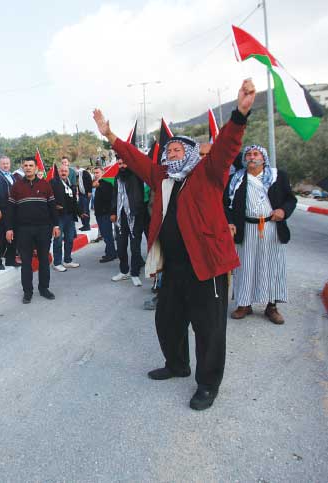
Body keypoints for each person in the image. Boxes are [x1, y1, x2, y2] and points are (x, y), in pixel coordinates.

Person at [92, 78, 256, 411]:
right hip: (175, 265)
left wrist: (239, 114)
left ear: (193, 153)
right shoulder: (162, 176)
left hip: (206, 264)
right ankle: (177, 364)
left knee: (208, 328)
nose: (172, 153)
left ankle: (208, 384)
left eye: (178, 149)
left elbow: (226, 147)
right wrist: (109, 135)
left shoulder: (208, 172)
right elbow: (136, 160)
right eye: (169, 150)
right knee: (167, 319)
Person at [225, 144, 296, 324]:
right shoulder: (235, 179)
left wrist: (283, 211)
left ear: (263, 158)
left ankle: (271, 307)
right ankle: (244, 304)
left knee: (272, 266)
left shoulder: (277, 176)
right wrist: (230, 222)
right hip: (246, 228)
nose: (251, 157)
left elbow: (290, 199)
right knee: (245, 267)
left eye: (256, 154)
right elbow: (225, 203)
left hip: (271, 227)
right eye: (248, 154)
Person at [5, 157, 60, 303]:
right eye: (25, 165)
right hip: (23, 230)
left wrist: (56, 225)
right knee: (26, 262)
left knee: (43, 260)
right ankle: (27, 292)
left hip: (44, 229)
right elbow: (10, 210)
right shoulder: (16, 187)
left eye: (31, 165)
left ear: (36, 168)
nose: (28, 168)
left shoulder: (45, 185)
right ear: (22, 168)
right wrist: (9, 228)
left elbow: (52, 207)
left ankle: (44, 289)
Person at [111, 154, 147, 286]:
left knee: (135, 248)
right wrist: (113, 212)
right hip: (121, 218)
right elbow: (115, 196)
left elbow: (140, 196)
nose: (122, 166)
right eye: (119, 164)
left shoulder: (137, 176)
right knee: (120, 247)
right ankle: (124, 271)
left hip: (135, 216)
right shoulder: (117, 178)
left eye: (124, 163)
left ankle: (135, 273)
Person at [0, 155, 20, 270]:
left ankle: (10, 260)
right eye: (3, 163)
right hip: (0, 211)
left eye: (7, 163)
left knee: (13, 235)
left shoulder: (12, 176)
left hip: (12, 211)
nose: (6, 165)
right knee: (0, 236)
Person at [50, 165, 81, 271]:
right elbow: (48, 197)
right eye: (62, 171)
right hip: (59, 216)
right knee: (58, 240)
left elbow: (73, 200)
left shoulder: (70, 183)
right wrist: (54, 205)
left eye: (65, 171)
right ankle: (57, 262)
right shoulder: (53, 182)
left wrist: (80, 213)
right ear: (58, 172)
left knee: (70, 239)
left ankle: (67, 260)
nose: (63, 172)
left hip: (70, 216)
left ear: (69, 172)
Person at [92, 166, 117, 263]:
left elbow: (108, 198)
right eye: (94, 173)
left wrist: (99, 186)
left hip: (105, 213)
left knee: (107, 235)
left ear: (103, 173)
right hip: (99, 213)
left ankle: (111, 254)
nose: (95, 174)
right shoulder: (97, 184)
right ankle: (110, 252)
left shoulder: (106, 183)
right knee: (105, 234)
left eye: (97, 172)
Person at [77, 165, 94, 231]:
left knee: (85, 210)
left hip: (86, 194)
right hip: (81, 194)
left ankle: (87, 225)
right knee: (80, 210)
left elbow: (90, 181)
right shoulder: (78, 175)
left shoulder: (85, 173)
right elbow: (79, 185)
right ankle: (84, 224)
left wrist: (89, 191)